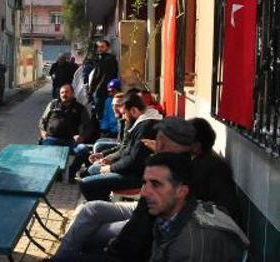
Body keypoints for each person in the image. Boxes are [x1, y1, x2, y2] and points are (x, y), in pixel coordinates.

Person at [54, 117, 197, 260]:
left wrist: (115, 247)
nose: (155, 143)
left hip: (140, 231)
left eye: (160, 139)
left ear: (170, 143)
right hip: (139, 214)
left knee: (90, 233)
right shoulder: (167, 160)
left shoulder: (176, 171)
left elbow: (143, 226)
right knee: (91, 209)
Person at [142, 153, 248, 262]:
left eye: (156, 185)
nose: (145, 192)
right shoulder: (172, 216)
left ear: (181, 191)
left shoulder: (190, 245)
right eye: (145, 183)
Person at [80, 93, 160, 201]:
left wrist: (111, 168)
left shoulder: (146, 127)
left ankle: (105, 211)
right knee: (92, 172)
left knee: (87, 184)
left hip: (138, 177)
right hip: (132, 171)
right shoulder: (141, 124)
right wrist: (110, 161)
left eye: (124, 114)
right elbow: (127, 150)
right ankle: (103, 205)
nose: (123, 117)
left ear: (133, 111)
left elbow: (134, 160)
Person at [38, 84, 96, 179]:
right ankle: (51, 174)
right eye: (62, 92)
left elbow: (88, 126)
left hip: (70, 141)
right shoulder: (53, 104)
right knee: (45, 146)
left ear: (72, 93)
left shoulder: (80, 108)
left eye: (67, 92)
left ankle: (69, 174)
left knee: (83, 150)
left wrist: (82, 137)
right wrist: (43, 132)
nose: (64, 94)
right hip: (52, 139)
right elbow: (42, 121)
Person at [88, 40, 119, 120]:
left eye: (102, 47)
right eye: (99, 47)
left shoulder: (109, 59)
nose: (99, 49)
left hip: (103, 91)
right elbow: (96, 75)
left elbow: (106, 76)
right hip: (98, 90)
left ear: (107, 48)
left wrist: (97, 89)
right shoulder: (99, 59)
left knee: (102, 114)